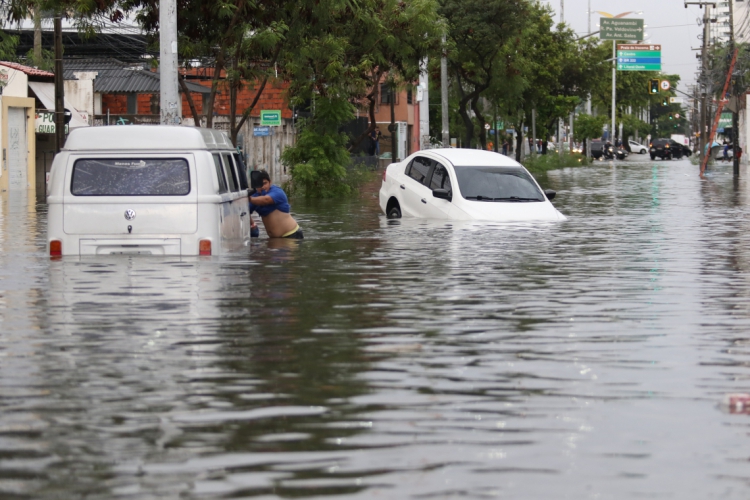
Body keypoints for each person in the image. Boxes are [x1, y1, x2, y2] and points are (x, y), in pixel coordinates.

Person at [249, 170, 303, 239]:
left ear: (270, 182)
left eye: (265, 183)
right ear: (256, 186)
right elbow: (245, 211)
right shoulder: (255, 196)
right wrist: (252, 224)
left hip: (291, 235)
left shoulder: (277, 192)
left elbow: (266, 200)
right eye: (260, 184)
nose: (262, 187)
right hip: (275, 239)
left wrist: (249, 199)